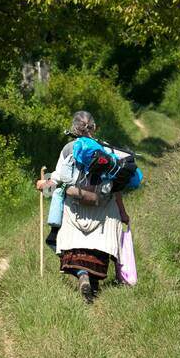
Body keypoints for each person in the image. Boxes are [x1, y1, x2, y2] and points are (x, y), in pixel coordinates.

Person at [35, 110, 131, 302]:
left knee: (75, 248)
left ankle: (82, 276)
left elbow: (59, 178)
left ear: (74, 128)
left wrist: (42, 184)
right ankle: (92, 286)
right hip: (102, 206)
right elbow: (116, 185)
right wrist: (122, 211)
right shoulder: (106, 151)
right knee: (97, 249)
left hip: (76, 206)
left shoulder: (69, 149)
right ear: (94, 128)